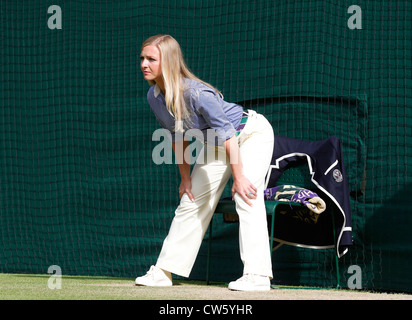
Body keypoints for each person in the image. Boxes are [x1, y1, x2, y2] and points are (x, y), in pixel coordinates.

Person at [135, 35, 275, 291]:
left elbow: (229, 135)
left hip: (249, 133)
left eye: (151, 59)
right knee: (191, 200)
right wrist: (185, 179)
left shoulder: (197, 93)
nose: (144, 63)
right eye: (143, 58)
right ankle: (163, 272)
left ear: (167, 61)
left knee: (246, 196)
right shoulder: (154, 96)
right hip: (216, 143)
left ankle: (258, 276)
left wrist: (239, 177)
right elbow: (177, 136)